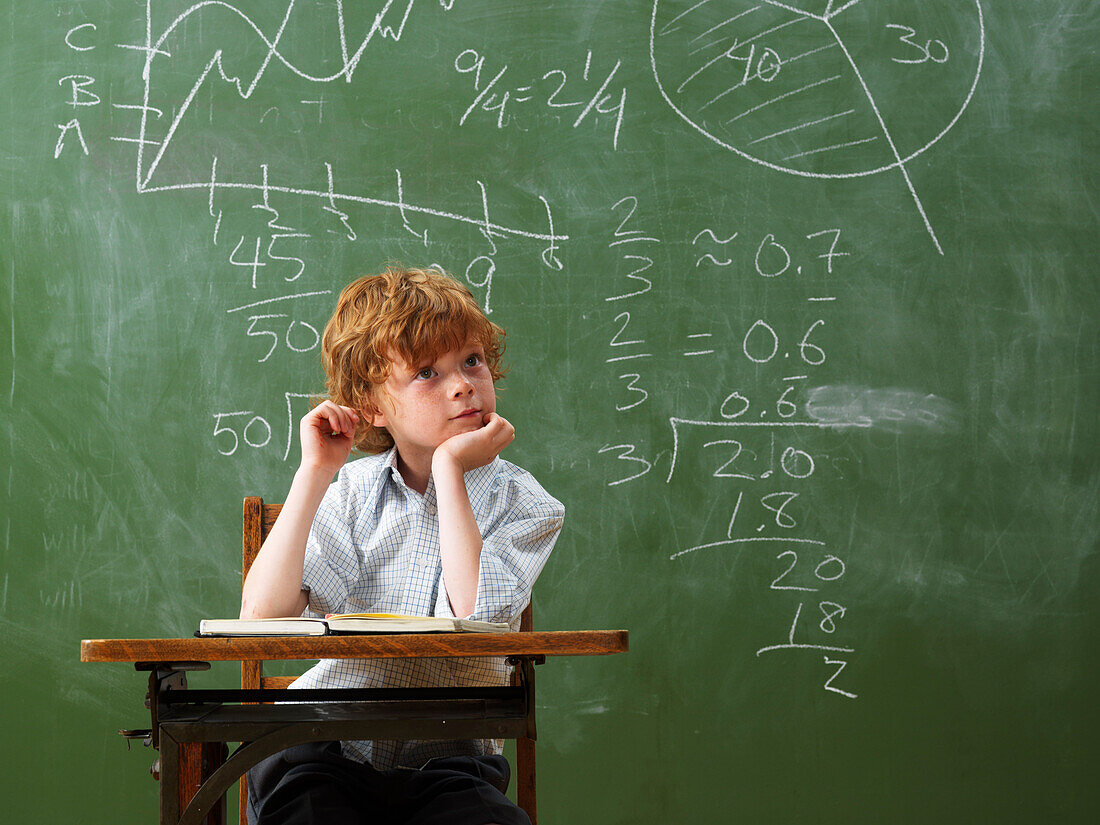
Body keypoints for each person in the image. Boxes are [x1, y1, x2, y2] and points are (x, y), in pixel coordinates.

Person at [240, 266, 564, 825]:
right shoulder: (353, 494)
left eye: (471, 360)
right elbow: (264, 615)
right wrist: (315, 472)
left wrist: (450, 469)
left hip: (453, 761)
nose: (462, 383)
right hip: (324, 749)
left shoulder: (526, 503)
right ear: (372, 407)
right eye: (425, 373)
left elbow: (474, 615)